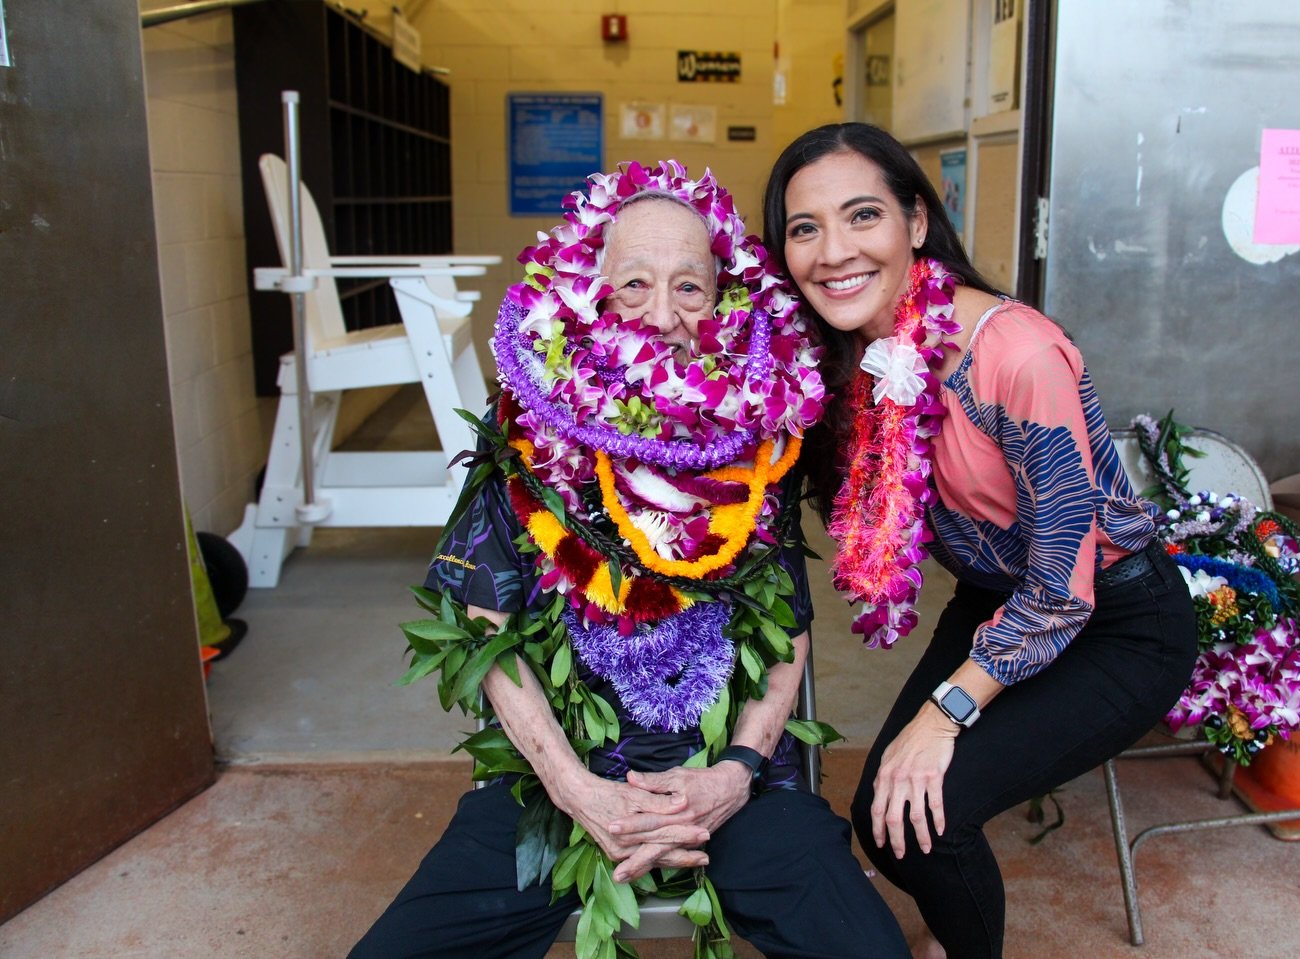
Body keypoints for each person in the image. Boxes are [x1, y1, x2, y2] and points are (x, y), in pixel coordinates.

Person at [350, 161, 910, 959]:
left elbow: (790, 635)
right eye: (633, 286)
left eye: (690, 287)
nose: (662, 315)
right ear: (589, 294)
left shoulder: (757, 439)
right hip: (554, 785)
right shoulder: (523, 428)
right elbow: (483, 630)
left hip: (729, 784)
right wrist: (578, 791)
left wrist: (737, 772)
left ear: (723, 300)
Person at [761, 123, 1199, 959]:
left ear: (917, 223)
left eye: (862, 216)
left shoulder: (1017, 356)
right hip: (994, 596)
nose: (832, 251)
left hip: (1114, 617)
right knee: (881, 816)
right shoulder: (843, 355)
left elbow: (1064, 586)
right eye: (804, 228)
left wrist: (946, 711)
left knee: (926, 821)